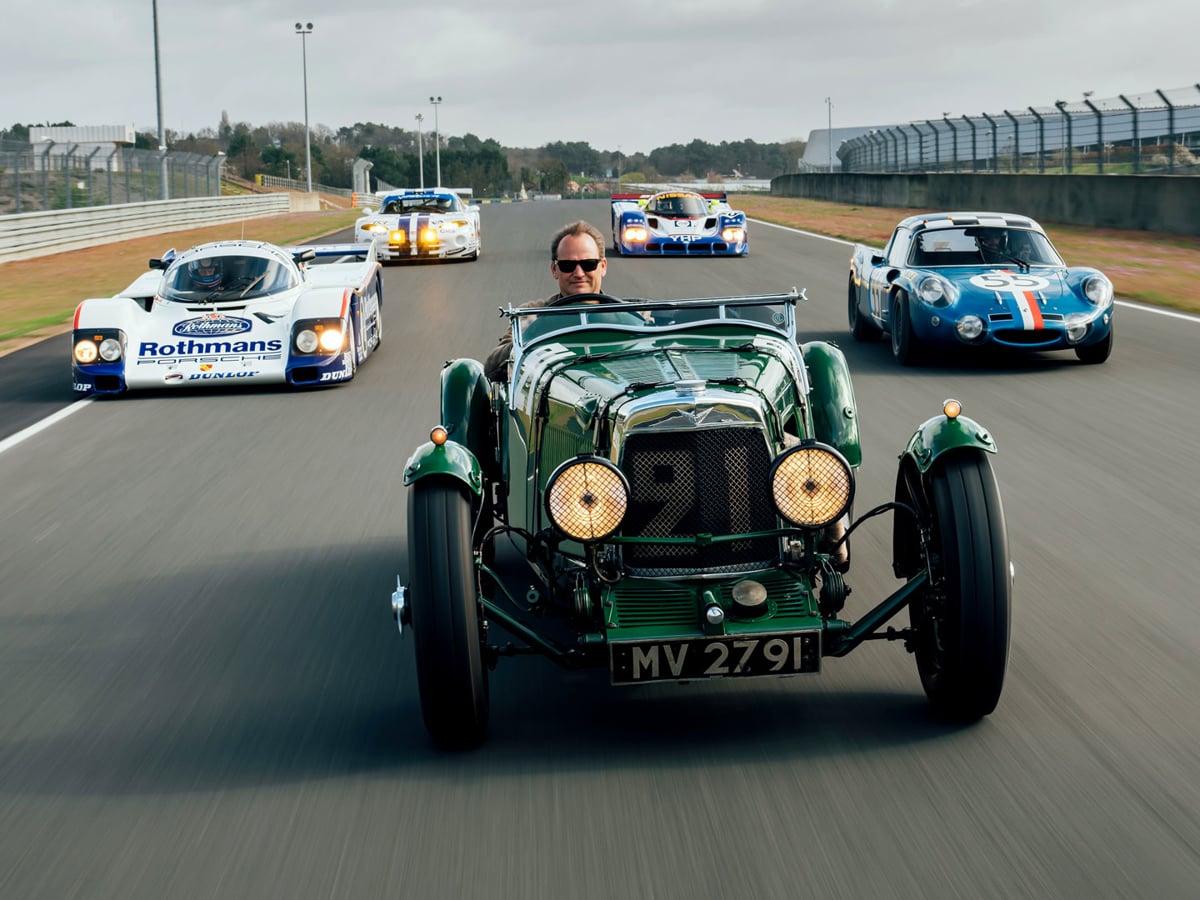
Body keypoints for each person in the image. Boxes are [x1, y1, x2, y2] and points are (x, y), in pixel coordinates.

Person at [484, 220, 610, 381]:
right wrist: (535, 334)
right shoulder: (535, 314)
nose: (578, 273)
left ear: (603, 266)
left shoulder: (629, 316)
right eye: (567, 265)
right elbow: (492, 366)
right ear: (554, 270)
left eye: (588, 264)